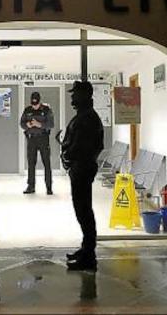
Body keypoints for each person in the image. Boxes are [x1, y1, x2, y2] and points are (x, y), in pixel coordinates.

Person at [61, 81, 104, 271]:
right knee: (82, 210)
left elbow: (83, 146)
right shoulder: (83, 115)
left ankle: (89, 256)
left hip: (82, 168)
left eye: (75, 94)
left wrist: (67, 156)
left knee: (84, 211)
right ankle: (86, 249)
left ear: (85, 95)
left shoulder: (88, 118)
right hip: (79, 168)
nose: (72, 97)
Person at [20, 91, 55, 195]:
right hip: (31, 139)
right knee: (31, 163)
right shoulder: (27, 110)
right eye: (33, 104)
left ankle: (49, 187)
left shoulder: (46, 110)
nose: (34, 106)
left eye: (36, 104)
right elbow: (21, 123)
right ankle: (31, 186)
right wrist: (27, 125)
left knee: (46, 163)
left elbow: (51, 124)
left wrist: (39, 124)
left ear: (40, 102)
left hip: (43, 138)